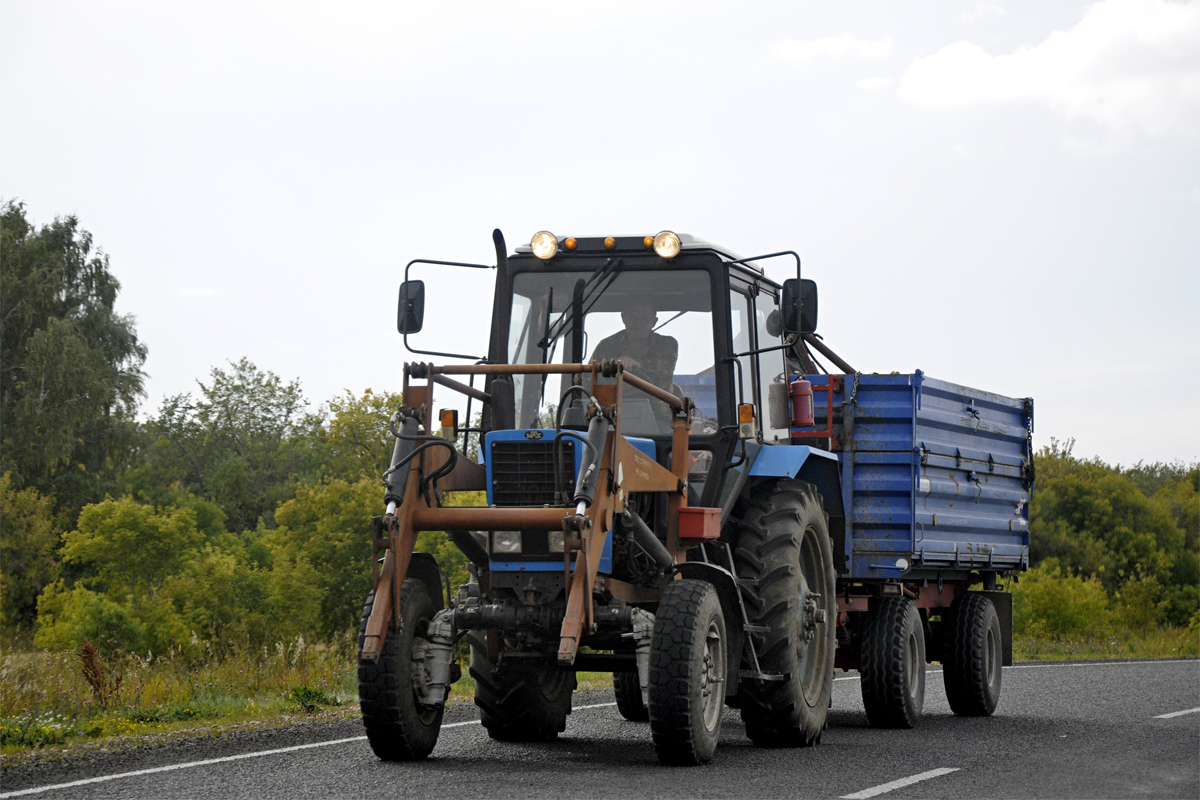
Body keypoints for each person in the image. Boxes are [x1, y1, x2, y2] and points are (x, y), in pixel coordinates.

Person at [589, 298, 679, 393]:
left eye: (644, 319)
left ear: (654, 322)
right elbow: (590, 373)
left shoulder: (667, 344)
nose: (638, 324)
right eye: (632, 318)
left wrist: (637, 364)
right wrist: (582, 378)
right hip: (613, 405)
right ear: (624, 318)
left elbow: (665, 368)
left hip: (656, 406)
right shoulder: (606, 345)